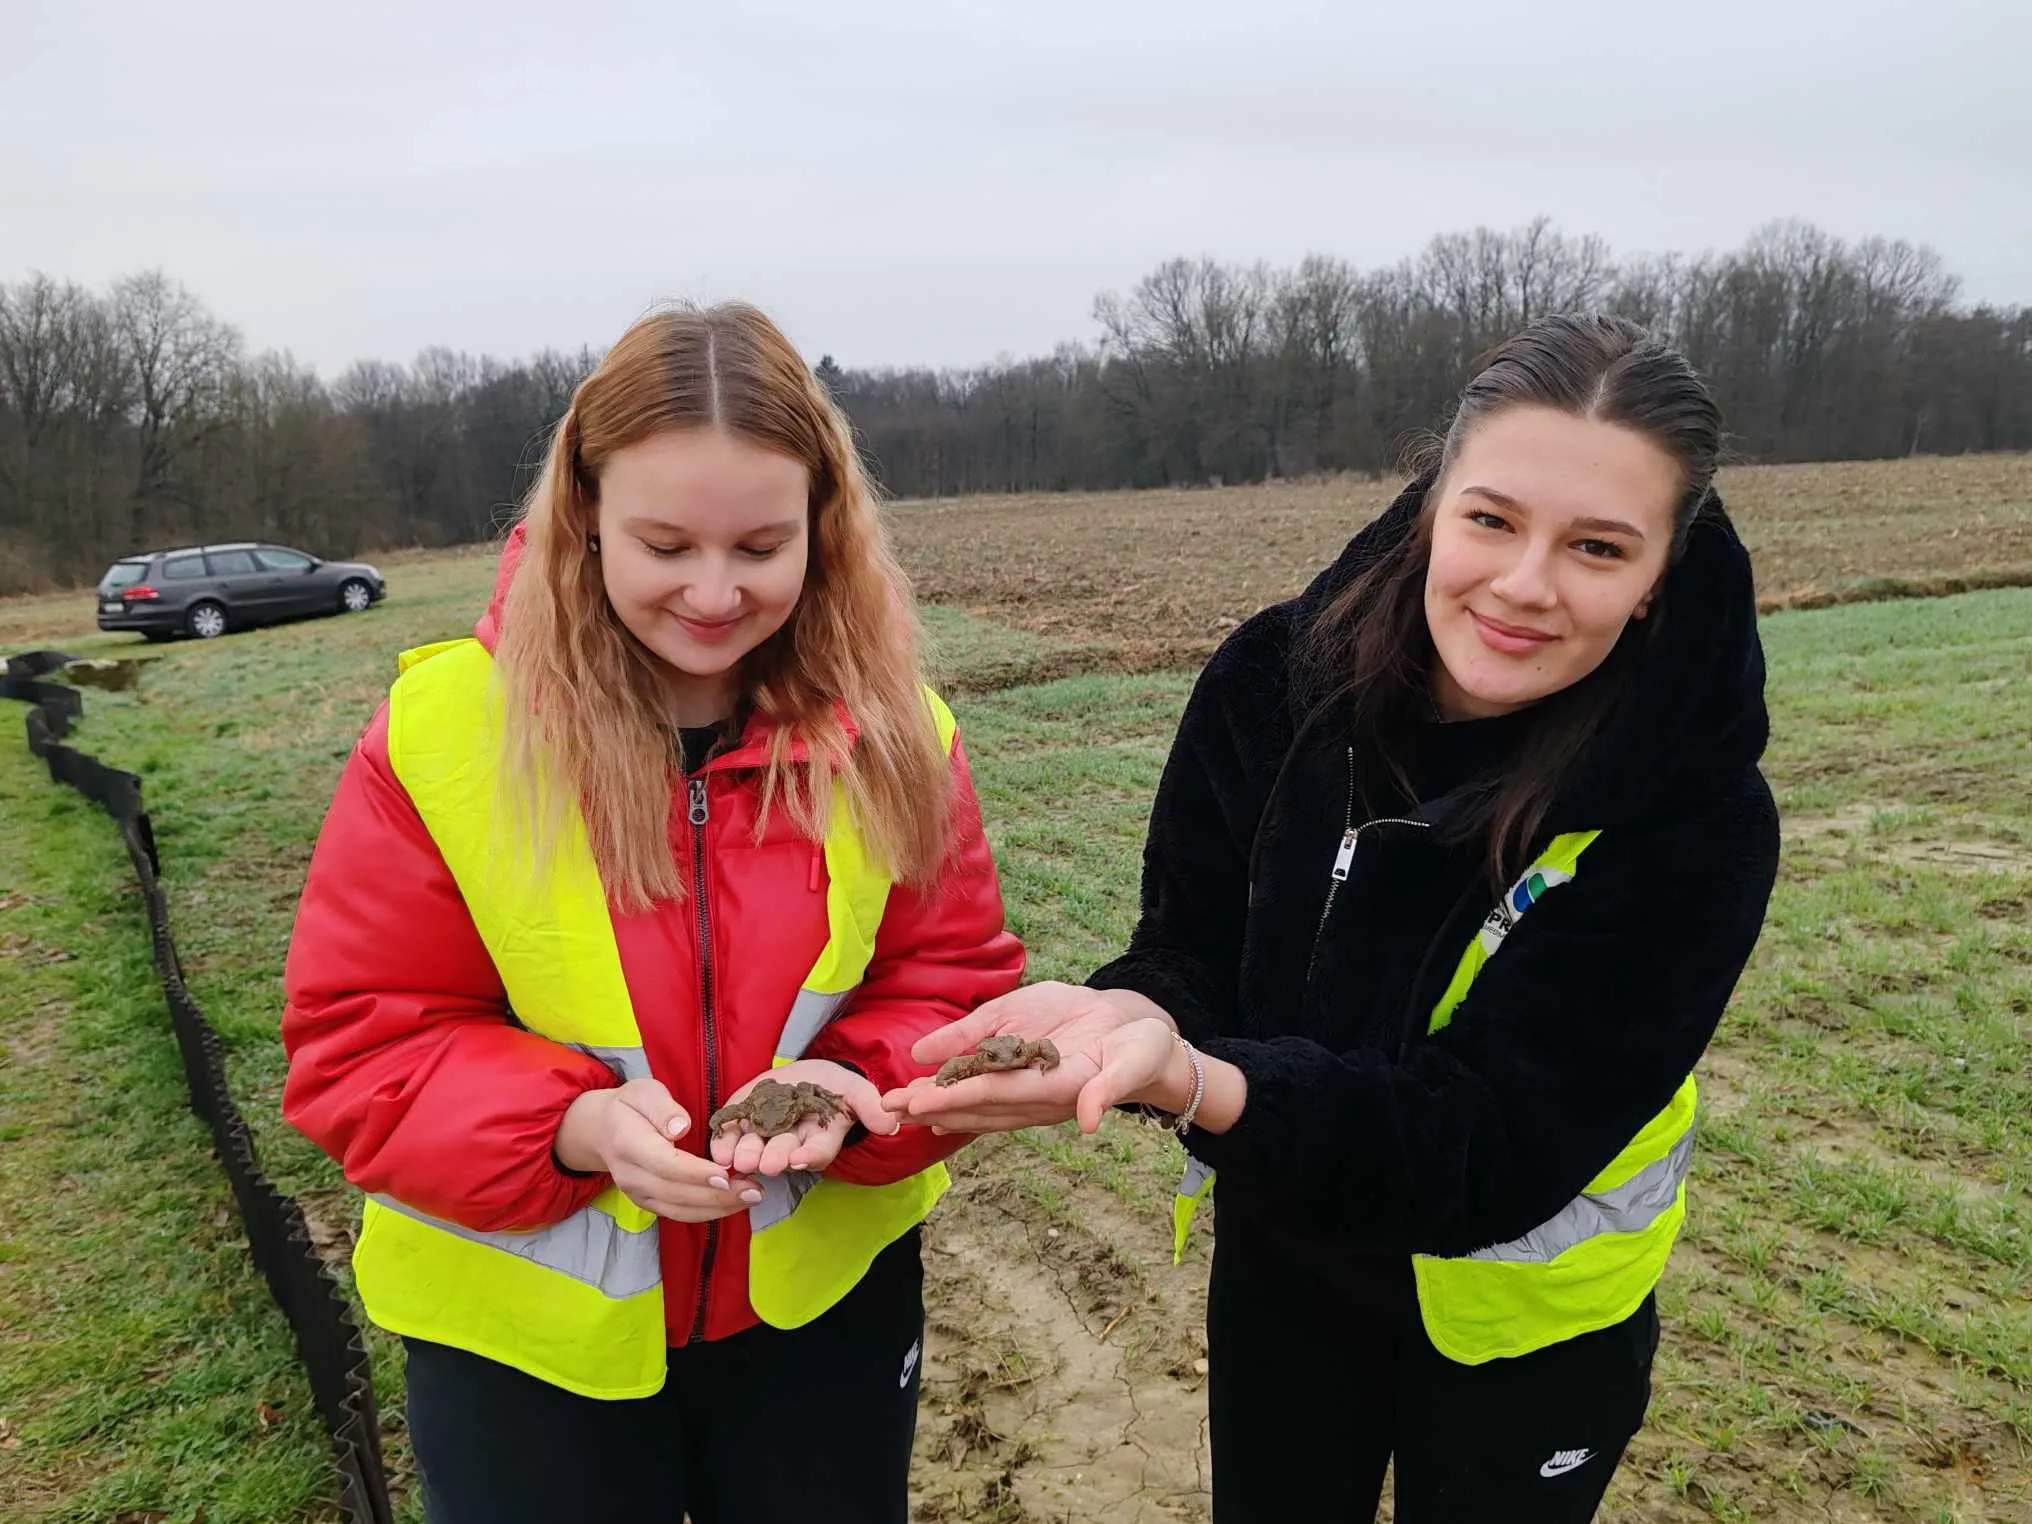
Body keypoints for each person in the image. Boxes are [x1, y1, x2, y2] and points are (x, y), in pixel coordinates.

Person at [885, 314, 1781, 1522]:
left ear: (1659, 574)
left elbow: (1482, 1144)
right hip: (1288, 1258)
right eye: (1491, 520)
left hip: (1519, 1312)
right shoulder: (1272, 683)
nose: (1524, 585)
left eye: (1598, 548)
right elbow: (1193, 943)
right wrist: (1137, 1013)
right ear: (1432, 506)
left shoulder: (1691, 815)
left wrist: (1201, 1085)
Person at [280, 303, 1023, 1523]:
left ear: (823, 531)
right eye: (667, 545)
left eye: (761, 546)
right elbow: (360, 1047)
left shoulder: (903, 734)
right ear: (583, 516)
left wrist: (855, 1088)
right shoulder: (443, 734)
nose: (717, 593)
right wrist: (572, 1126)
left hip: (818, 1329)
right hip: (525, 1353)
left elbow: (951, 986)